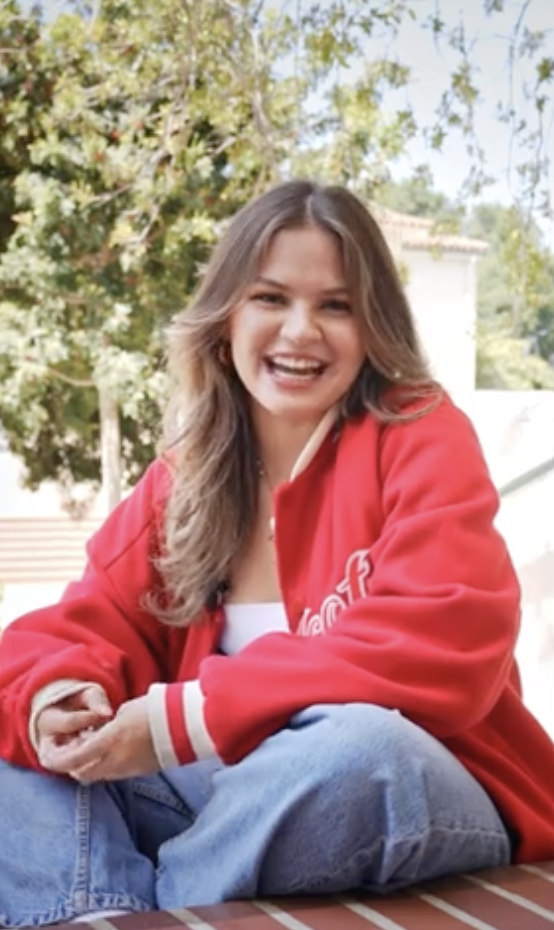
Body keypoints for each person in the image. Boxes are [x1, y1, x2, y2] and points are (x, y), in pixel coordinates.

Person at [1, 179, 553, 927]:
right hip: (220, 804)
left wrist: (181, 719)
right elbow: (82, 625)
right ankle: (95, 913)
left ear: (373, 325)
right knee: (22, 748)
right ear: (226, 315)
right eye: (270, 298)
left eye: (336, 305)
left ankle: (160, 904)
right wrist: (59, 699)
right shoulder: (182, 480)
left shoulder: (419, 430)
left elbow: (447, 636)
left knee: (358, 748)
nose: (300, 331)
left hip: (409, 783)